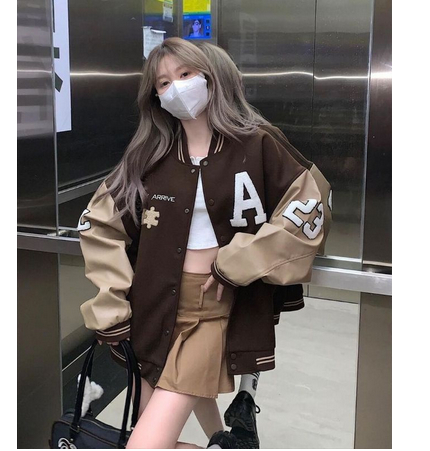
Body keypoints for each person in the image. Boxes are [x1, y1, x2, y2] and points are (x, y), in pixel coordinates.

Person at [78, 37, 324, 449]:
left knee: (145, 444)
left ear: (212, 76)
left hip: (215, 306)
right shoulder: (150, 154)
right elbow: (98, 223)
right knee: (152, 422)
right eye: (163, 83)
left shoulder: (258, 143)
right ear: (154, 96)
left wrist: (240, 262)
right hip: (153, 304)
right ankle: (221, 440)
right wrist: (111, 301)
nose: (176, 88)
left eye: (185, 74)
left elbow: (309, 210)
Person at [197, 41, 333, 448]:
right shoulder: (183, 141)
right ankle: (241, 406)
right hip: (245, 263)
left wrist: (249, 254)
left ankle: (231, 422)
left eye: (190, 77)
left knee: (213, 349)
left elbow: (310, 199)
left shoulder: (258, 138)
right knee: (234, 339)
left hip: (243, 263)